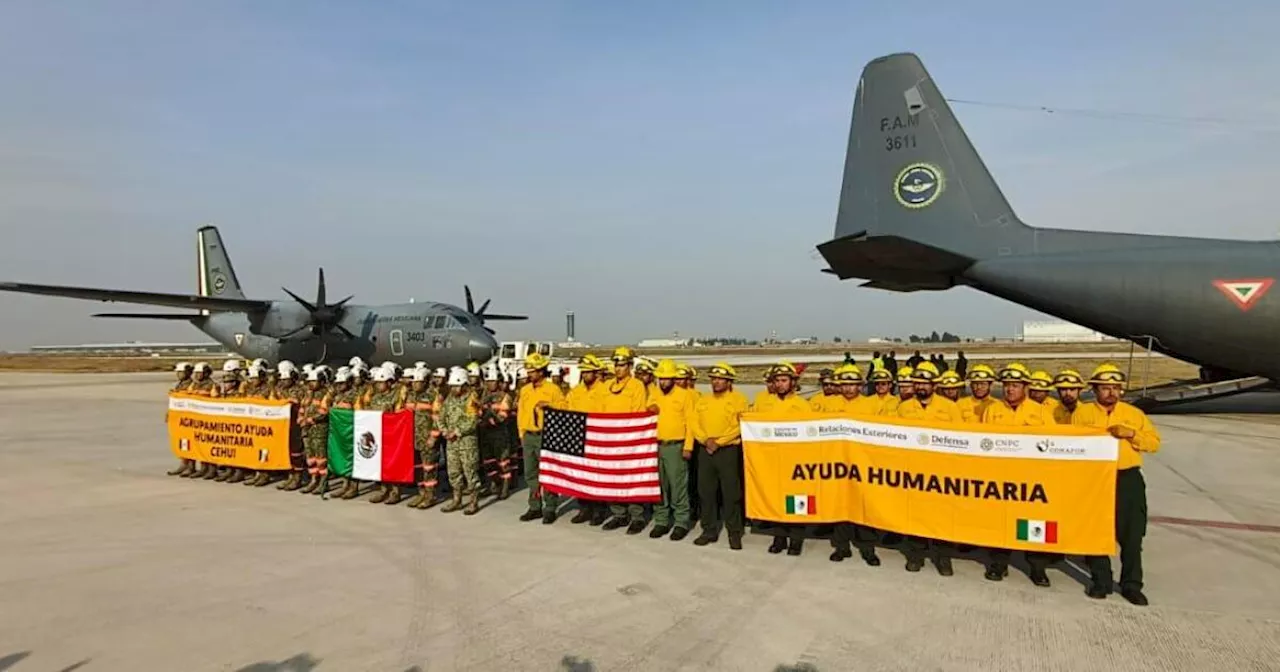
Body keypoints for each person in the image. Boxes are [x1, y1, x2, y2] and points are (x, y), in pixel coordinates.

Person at [1072, 363, 1160, 606]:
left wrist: (1132, 434)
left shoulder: (1134, 415)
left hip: (1127, 477)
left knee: (1132, 535)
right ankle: (1101, 581)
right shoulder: (1082, 414)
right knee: (1097, 531)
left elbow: (1154, 443)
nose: (1111, 392)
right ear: (1095, 389)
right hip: (1096, 479)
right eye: (1105, 388)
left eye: (1115, 388)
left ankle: (1132, 584)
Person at [979, 363, 1052, 586]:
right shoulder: (992, 410)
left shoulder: (1040, 412)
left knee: (1032, 524)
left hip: (1031, 478)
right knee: (1001, 521)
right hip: (1001, 477)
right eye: (1008, 385)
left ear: (1025, 387)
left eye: (1016, 385)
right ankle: (999, 564)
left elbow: (1053, 442)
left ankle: (1037, 567)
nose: (1010, 390)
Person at [896, 361, 960, 575]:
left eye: (925, 383)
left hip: (943, 472)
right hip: (913, 472)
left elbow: (962, 438)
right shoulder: (903, 408)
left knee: (943, 518)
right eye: (916, 383)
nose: (920, 386)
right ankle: (916, 556)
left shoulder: (950, 408)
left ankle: (943, 558)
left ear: (934, 384)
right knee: (915, 517)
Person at [754, 362, 813, 556]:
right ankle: (779, 537)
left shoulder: (802, 405)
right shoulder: (766, 403)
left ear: (793, 382)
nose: (780, 384)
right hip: (772, 458)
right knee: (776, 498)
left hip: (795, 459)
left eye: (784, 380)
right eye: (777, 381)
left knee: (796, 500)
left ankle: (796, 539)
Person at [826, 364, 883, 566]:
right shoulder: (830, 404)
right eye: (845, 385)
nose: (849, 389)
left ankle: (868, 549)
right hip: (837, 463)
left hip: (862, 464)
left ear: (860, 386)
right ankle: (842, 547)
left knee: (863, 506)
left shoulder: (871, 405)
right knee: (840, 505)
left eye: (853, 385)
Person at [690, 363, 749, 550]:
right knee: (706, 492)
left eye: (720, 379)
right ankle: (709, 530)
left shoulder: (739, 400)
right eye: (713, 379)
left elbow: (740, 426)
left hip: (727, 450)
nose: (716, 382)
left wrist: (720, 441)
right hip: (705, 450)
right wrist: (705, 440)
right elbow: (694, 422)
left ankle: (734, 532)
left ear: (729, 381)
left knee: (731, 493)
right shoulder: (703, 400)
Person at [598, 347, 652, 534]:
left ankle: (636, 515)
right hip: (610, 440)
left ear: (629, 366)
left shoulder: (636, 386)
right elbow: (600, 412)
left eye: (622, 365)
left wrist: (626, 434)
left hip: (628, 439)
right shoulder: (606, 386)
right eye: (616, 365)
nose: (618, 368)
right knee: (612, 479)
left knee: (630, 478)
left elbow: (638, 412)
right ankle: (619, 513)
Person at [646, 360, 697, 540]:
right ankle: (661, 520)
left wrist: (688, 446)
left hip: (675, 446)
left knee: (678, 486)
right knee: (659, 485)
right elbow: (647, 412)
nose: (663, 382)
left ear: (674, 378)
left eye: (667, 379)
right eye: (661, 379)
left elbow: (691, 423)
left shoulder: (684, 396)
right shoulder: (654, 393)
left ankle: (681, 521)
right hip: (656, 445)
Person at [516, 352, 566, 524]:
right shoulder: (525, 390)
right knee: (531, 474)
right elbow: (521, 413)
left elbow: (564, 409)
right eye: (528, 370)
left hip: (547, 436)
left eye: (532, 370)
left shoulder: (553, 389)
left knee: (549, 474)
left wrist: (550, 405)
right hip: (529, 436)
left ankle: (550, 507)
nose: (529, 374)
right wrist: (521, 434)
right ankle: (535, 506)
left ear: (541, 371)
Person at [438, 367, 483, 515]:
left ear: (464, 385)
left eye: (456, 386)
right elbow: (441, 416)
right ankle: (456, 500)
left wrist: (457, 432)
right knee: (453, 472)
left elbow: (473, 420)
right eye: (452, 386)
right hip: (451, 443)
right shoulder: (449, 399)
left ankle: (473, 502)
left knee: (470, 472)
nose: (454, 388)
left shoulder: (472, 398)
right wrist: (444, 430)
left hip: (467, 443)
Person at [166, 363, 195, 477]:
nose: (178, 374)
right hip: (180, 418)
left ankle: (191, 466)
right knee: (182, 442)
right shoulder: (180, 384)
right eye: (177, 372)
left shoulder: (191, 385)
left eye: (181, 372)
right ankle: (184, 464)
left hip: (189, 418)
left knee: (190, 442)